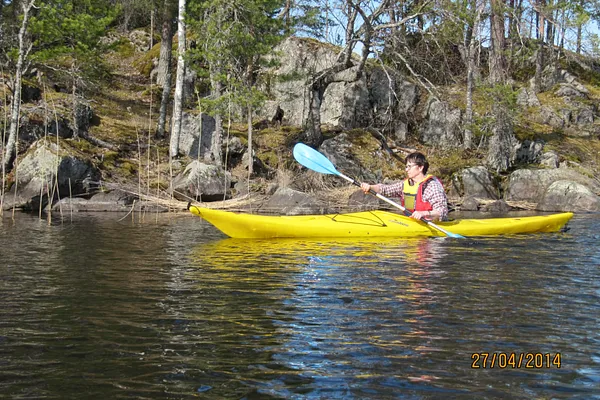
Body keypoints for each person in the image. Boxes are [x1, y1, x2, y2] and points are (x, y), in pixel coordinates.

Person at [360, 152, 449, 221]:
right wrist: (370, 187)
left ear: (420, 168)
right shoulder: (405, 184)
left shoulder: (432, 186)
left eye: (409, 167)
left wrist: (423, 213)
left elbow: (442, 211)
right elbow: (385, 189)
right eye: (406, 167)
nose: (406, 170)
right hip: (410, 222)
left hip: (432, 226)